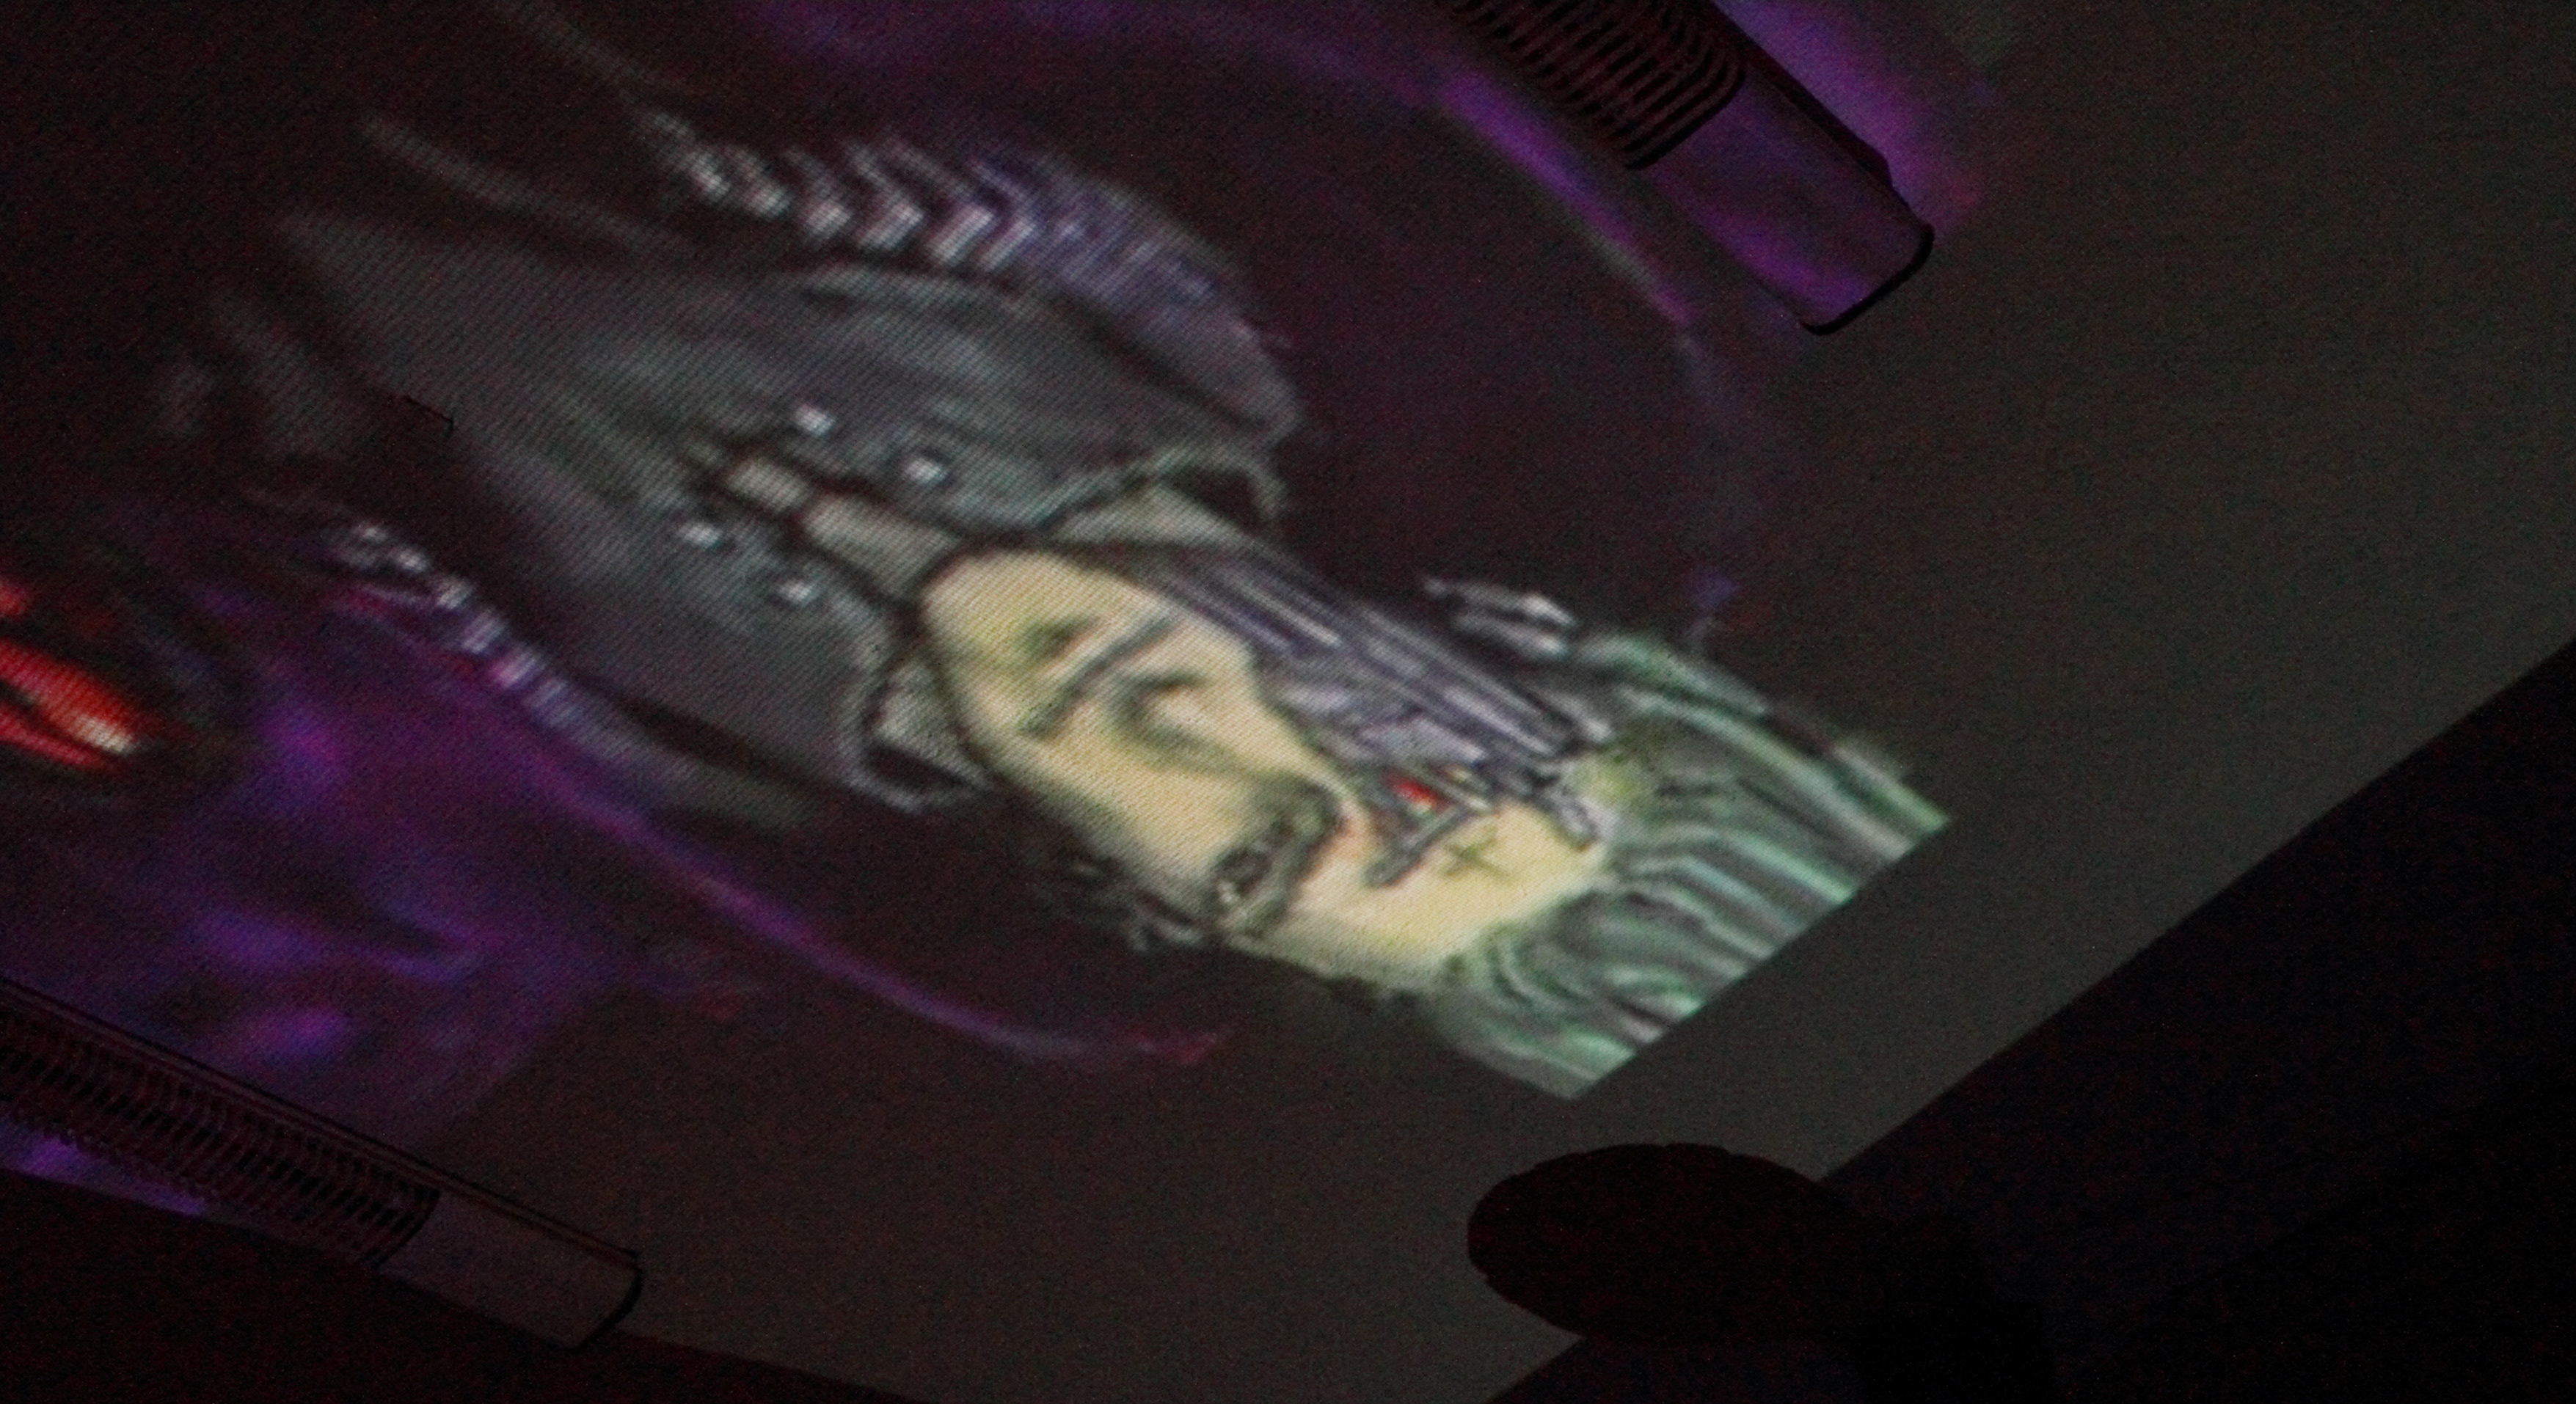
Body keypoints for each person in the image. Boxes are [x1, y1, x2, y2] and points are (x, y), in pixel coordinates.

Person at [125, 0, 1947, 1096]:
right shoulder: (1161, 284)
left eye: (1261, 855)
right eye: (1417, 758)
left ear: (1162, 909)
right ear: (1515, 642)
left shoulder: (623, 784)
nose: (1199, 724)